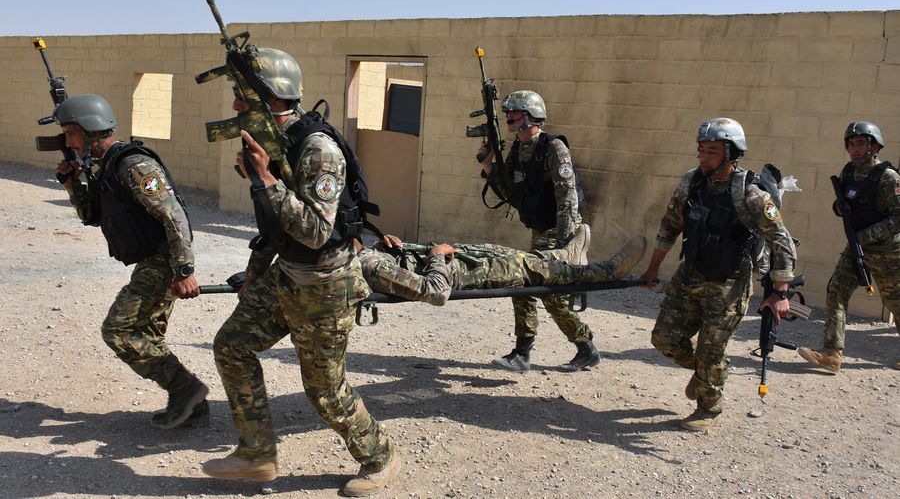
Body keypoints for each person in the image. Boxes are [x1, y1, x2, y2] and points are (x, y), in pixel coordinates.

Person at [201, 48, 399, 496]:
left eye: (243, 95)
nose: (235, 104)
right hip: (287, 275)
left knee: (324, 390)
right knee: (232, 346)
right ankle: (256, 453)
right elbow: (274, 228)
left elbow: (315, 232)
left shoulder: (317, 151)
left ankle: (380, 456)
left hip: (325, 286)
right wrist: (255, 273)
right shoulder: (274, 144)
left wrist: (267, 180)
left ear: (273, 98)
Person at [54, 94, 207, 429]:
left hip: (164, 260)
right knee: (148, 333)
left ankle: (187, 389)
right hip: (151, 259)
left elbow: (173, 216)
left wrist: (184, 270)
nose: (68, 143)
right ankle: (193, 407)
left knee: (119, 330)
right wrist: (73, 185)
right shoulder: (106, 166)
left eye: (70, 134)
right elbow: (93, 215)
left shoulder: (133, 165)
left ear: (91, 129)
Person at [640, 117, 797, 432]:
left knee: (711, 348)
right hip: (690, 274)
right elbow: (669, 226)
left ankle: (707, 408)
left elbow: (781, 240)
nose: (703, 156)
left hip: (729, 282)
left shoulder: (751, 193)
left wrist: (780, 292)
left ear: (732, 153)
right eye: (701, 149)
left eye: (712, 151)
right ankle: (706, 372)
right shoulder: (691, 182)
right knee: (664, 338)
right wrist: (653, 267)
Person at [478, 90, 599, 373]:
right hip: (540, 230)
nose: (509, 117)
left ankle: (524, 353)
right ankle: (584, 349)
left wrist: (564, 245)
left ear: (531, 117)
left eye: (515, 113)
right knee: (541, 289)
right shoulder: (518, 149)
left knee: (530, 283)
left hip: (560, 230)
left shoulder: (554, 148)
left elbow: (568, 198)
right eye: (508, 113)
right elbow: (510, 193)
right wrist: (488, 165)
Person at [798, 122, 900, 373]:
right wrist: (839, 207)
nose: (855, 149)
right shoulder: (849, 173)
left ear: (875, 147)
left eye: (861, 143)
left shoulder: (888, 177)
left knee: (896, 302)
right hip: (857, 247)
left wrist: (866, 236)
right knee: (836, 289)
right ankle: (832, 354)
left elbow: (898, 218)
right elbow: (846, 204)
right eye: (851, 144)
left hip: (887, 251)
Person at [359, 226, 646, 306]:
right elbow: (434, 292)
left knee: (515, 254)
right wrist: (436, 255)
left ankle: (563, 256)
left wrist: (383, 247)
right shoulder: (368, 265)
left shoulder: (366, 256)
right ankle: (607, 271)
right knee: (529, 268)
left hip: (464, 260)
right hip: (465, 274)